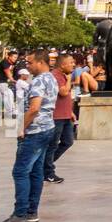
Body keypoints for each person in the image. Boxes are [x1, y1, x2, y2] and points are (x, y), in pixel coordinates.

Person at [0, 50, 59, 222]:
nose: (27, 67)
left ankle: (19, 214)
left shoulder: (38, 81)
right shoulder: (51, 78)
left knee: (20, 171)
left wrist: (21, 128)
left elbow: (34, 108)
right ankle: (31, 211)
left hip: (35, 130)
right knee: (36, 171)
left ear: (40, 62)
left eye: (30, 63)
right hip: (47, 128)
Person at [42, 52, 77, 185]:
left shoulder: (63, 74)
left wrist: (71, 111)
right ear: (62, 65)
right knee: (52, 145)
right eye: (71, 62)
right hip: (56, 116)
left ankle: (45, 165)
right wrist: (69, 80)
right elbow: (63, 92)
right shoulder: (56, 76)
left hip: (65, 115)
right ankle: (48, 172)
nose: (73, 65)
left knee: (68, 141)